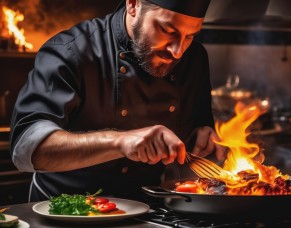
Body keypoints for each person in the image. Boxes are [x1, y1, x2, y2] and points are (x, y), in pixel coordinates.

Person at [10, 0, 226, 202]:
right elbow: (27, 149)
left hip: (152, 212)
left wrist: (202, 138)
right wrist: (121, 142)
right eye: (168, 30)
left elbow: (196, 134)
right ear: (133, 4)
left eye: (190, 36)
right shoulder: (71, 51)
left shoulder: (194, 58)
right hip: (67, 211)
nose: (178, 51)